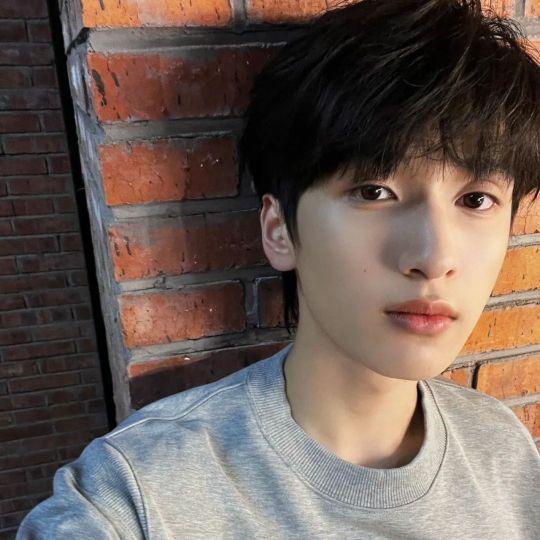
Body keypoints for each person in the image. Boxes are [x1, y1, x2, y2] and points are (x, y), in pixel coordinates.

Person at [17, 0, 540, 538]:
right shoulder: (138, 495)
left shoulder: (503, 450)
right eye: (373, 191)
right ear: (279, 230)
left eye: (476, 200)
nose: (434, 259)